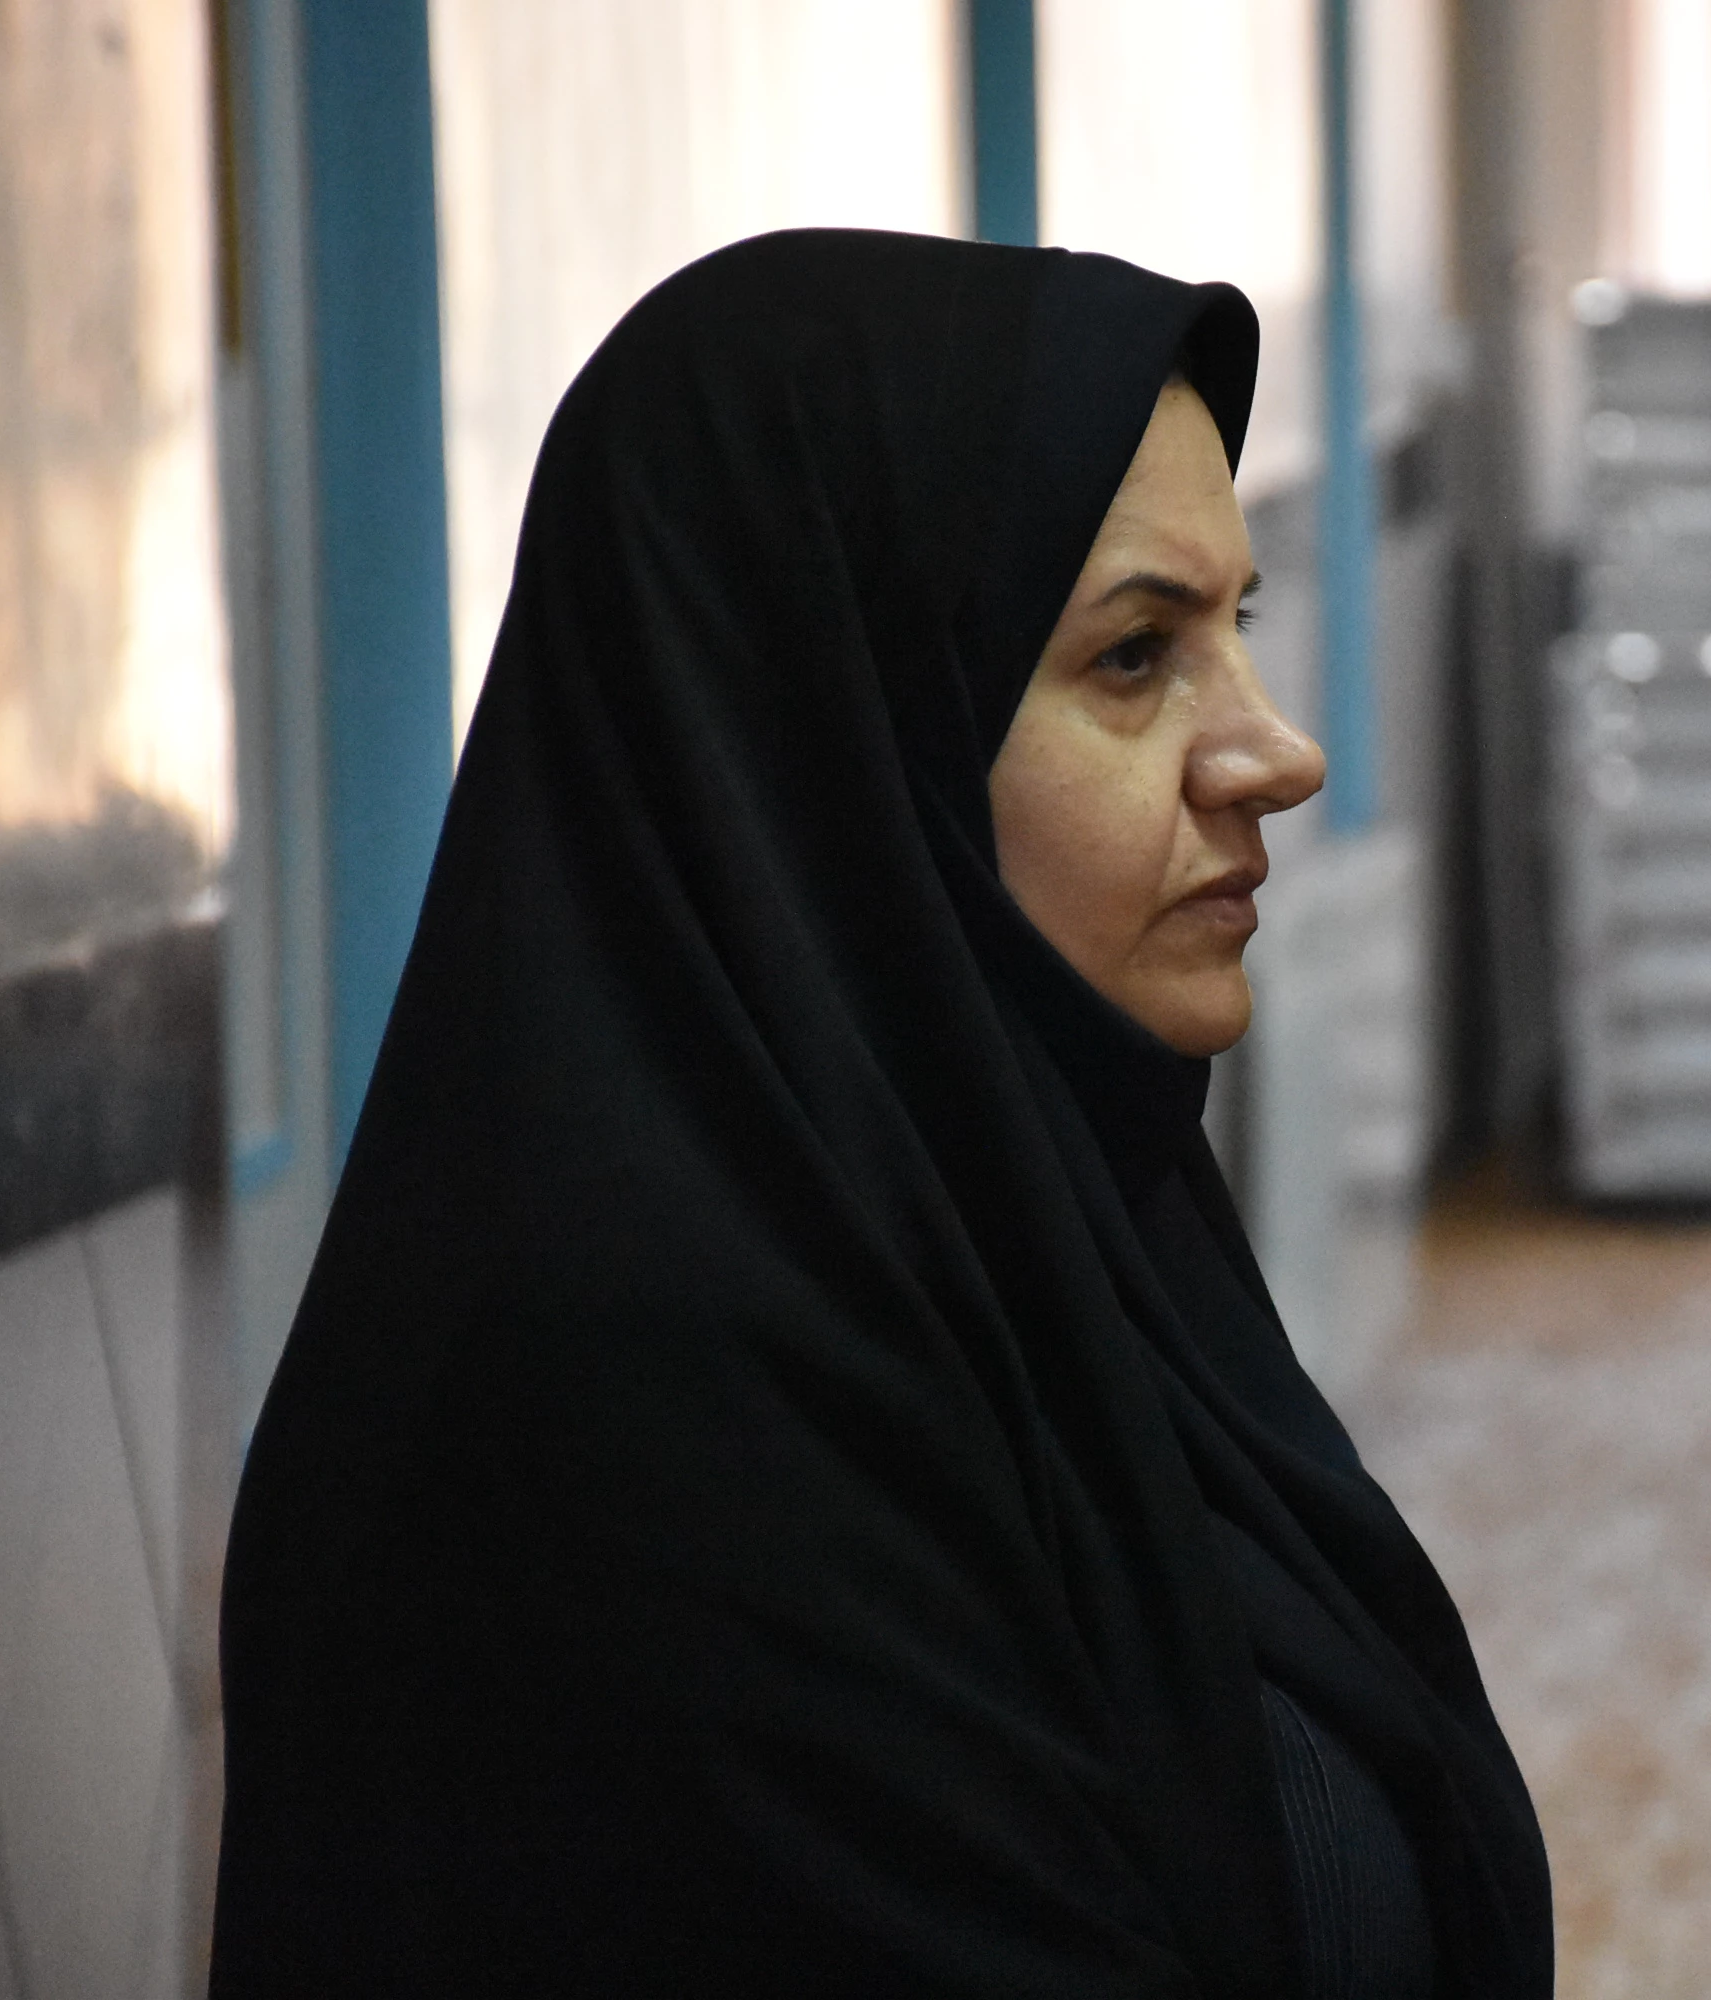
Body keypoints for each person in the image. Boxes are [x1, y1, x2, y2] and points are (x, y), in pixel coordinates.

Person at [208, 230, 1553, 1999]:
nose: (1277, 752)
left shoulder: (1036, 1204)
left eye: (1234, 628)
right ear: (836, 727)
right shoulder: (637, 1415)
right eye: (1135, 659)